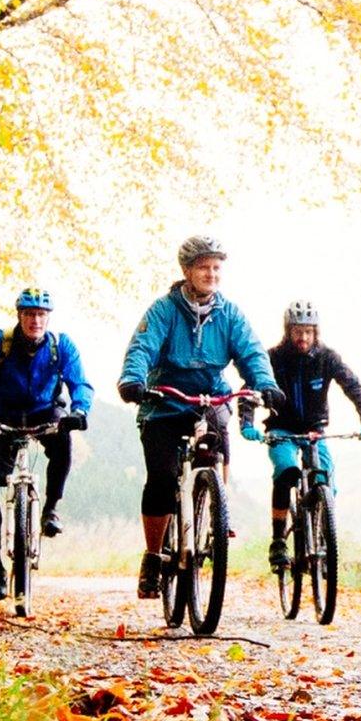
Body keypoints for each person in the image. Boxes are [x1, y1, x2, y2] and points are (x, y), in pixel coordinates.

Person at [116, 235, 284, 597]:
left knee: (221, 431)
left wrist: (265, 384)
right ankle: (153, 556)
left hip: (210, 397)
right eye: (204, 267)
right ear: (187, 271)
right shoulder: (163, 311)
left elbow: (251, 352)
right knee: (161, 479)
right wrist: (133, 380)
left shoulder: (230, 314)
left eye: (216, 268)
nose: (211, 274)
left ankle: (217, 504)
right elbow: (142, 347)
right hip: (165, 401)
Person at [0, 288, 92, 600]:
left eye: (41, 315)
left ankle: (52, 508)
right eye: (29, 314)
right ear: (20, 316)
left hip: (45, 411)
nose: (35, 320)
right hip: (4, 415)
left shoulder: (60, 345)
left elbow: (79, 382)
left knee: (64, 442)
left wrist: (79, 410)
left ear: (48, 318)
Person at [238, 301, 361, 569]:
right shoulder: (273, 359)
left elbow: (353, 386)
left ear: (316, 332)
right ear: (288, 331)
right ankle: (279, 540)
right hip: (281, 430)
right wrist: (247, 423)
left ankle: (323, 541)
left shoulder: (327, 358)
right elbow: (249, 392)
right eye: (297, 331)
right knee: (287, 471)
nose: (303, 338)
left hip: (316, 431)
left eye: (308, 332)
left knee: (325, 481)